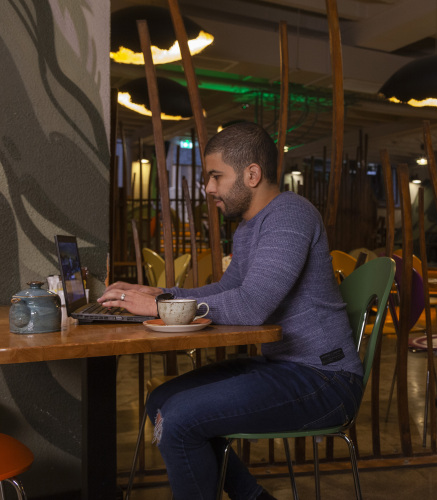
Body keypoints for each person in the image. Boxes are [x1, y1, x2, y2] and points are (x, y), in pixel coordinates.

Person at [97, 122, 363, 500]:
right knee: (160, 402)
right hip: (284, 366)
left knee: (180, 418)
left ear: (252, 174)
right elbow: (227, 290)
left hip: (326, 380)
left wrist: (161, 307)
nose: (208, 188)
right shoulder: (249, 228)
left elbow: (252, 305)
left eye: (216, 176)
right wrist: (164, 293)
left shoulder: (290, 213)